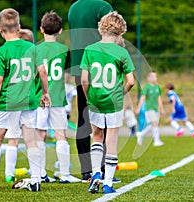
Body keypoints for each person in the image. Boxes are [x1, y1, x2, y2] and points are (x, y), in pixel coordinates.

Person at [0, 8, 50, 192]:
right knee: (31, 140)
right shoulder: (32, 48)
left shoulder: (1, 52)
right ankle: (36, 179)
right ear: (19, 26)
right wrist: (45, 93)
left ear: (0, 29)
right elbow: (42, 71)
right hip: (28, 101)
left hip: (8, 102)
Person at [81, 11, 135, 194]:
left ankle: (96, 173)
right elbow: (131, 81)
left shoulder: (89, 49)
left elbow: (84, 80)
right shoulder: (122, 52)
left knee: (97, 135)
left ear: (100, 29)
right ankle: (108, 183)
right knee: (111, 140)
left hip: (95, 99)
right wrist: (121, 93)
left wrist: (89, 97)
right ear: (120, 33)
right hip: (114, 102)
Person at [68, 0, 114, 183]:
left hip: (80, 68)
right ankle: (102, 168)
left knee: (83, 117)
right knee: (104, 118)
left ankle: (87, 170)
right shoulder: (102, 6)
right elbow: (112, 33)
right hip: (101, 66)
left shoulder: (74, 7)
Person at [35, 11, 81, 183]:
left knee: (40, 135)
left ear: (41, 29)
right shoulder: (63, 50)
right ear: (60, 31)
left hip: (39, 98)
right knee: (60, 135)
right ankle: (65, 174)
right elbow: (66, 69)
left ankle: (39, 174)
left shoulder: (36, 49)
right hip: (58, 97)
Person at [3, 28, 35, 183]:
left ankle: (9, 173)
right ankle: (37, 174)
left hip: (13, 99)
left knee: (13, 139)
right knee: (31, 139)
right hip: (29, 100)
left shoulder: (9, 52)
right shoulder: (32, 54)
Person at [135, 71, 165, 147]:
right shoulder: (147, 87)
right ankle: (156, 141)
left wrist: (161, 109)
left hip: (156, 109)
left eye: (156, 76)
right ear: (148, 78)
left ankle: (141, 135)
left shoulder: (157, 87)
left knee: (153, 125)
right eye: (153, 76)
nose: (155, 78)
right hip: (149, 109)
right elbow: (142, 98)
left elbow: (159, 99)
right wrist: (138, 108)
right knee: (154, 123)